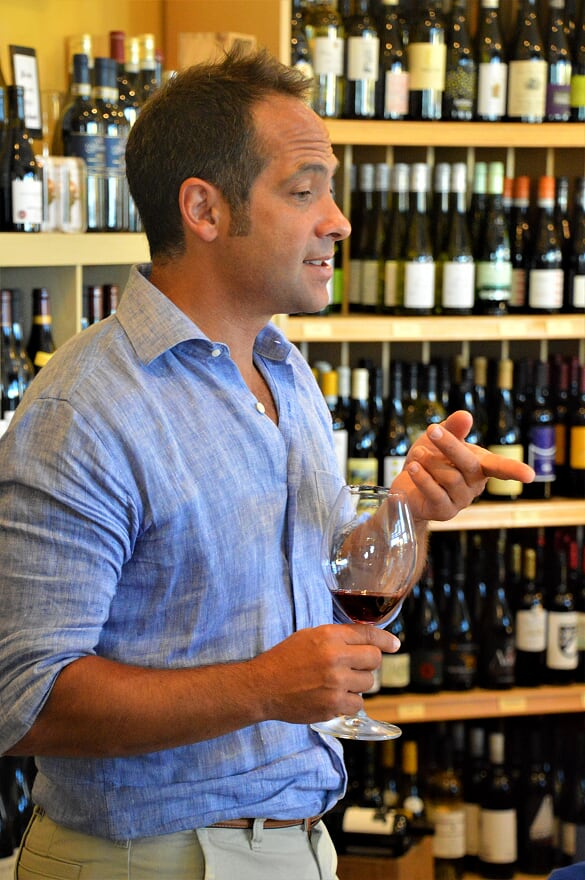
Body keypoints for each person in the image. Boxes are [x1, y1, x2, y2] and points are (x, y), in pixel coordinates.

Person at [0, 49, 534, 880]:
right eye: (303, 189)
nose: (338, 220)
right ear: (204, 209)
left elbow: (312, 588)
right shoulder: (83, 412)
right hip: (145, 862)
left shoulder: (284, 372)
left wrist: (407, 515)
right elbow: (23, 701)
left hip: (292, 843)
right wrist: (259, 688)